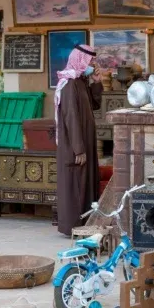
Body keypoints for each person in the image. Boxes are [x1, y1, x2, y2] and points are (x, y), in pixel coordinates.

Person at [54, 44, 104, 236]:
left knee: (86, 183)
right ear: (81, 60)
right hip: (75, 146)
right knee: (76, 185)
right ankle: (73, 226)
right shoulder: (69, 85)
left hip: (84, 142)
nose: (93, 64)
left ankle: (86, 224)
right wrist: (78, 149)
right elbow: (71, 118)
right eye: (91, 61)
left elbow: (95, 104)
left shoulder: (80, 81)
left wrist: (96, 82)